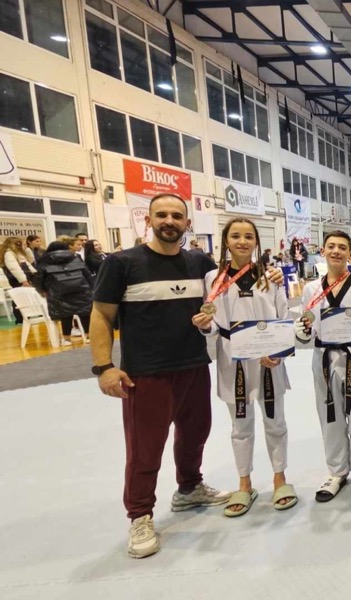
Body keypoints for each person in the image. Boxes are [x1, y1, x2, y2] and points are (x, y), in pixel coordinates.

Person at [90, 192, 285, 559]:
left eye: (176, 216)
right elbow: (101, 314)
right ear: (148, 220)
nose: (169, 221)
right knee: (145, 447)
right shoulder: (122, 263)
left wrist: (270, 271)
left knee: (195, 435)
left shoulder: (200, 265)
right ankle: (140, 515)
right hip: (147, 370)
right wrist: (104, 366)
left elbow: (232, 279)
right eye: (161, 214)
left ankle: (189, 487)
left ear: (187, 223)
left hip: (195, 365)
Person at [193, 217, 297, 517]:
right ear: (226, 241)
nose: (242, 241)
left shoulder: (271, 275)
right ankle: (244, 482)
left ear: (256, 242)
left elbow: (283, 317)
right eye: (235, 236)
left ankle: (280, 479)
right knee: (240, 425)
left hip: (268, 358)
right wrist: (204, 325)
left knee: (275, 421)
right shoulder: (213, 278)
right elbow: (213, 323)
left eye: (248, 236)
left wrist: (277, 351)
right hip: (233, 357)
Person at [295, 230, 351, 502]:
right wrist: (302, 333)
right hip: (325, 360)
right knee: (330, 417)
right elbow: (306, 326)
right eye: (331, 246)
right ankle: (336, 472)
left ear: (350, 253)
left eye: (342, 247)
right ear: (323, 251)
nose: (336, 251)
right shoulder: (311, 290)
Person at [35, 241, 93, 346]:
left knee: (65, 314)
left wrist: (42, 290)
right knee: (84, 312)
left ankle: (66, 339)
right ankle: (89, 336)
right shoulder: (75, 258)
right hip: (81, 289)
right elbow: (87, 274)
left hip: (57, 291)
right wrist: (90, 287)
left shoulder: (45, 261)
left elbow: (39, 279)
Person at [1, 236, 37, 323]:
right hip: (17, 279)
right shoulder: (9, 254)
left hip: (22, 278)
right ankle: (20, 319)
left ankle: (25, 317)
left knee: (22, 298)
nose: (20, 245)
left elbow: (29, 263)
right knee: (19, 299)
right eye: (17, 244)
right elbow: (14, 268)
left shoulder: (17, 253)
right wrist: (23, 280)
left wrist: (35, 274)